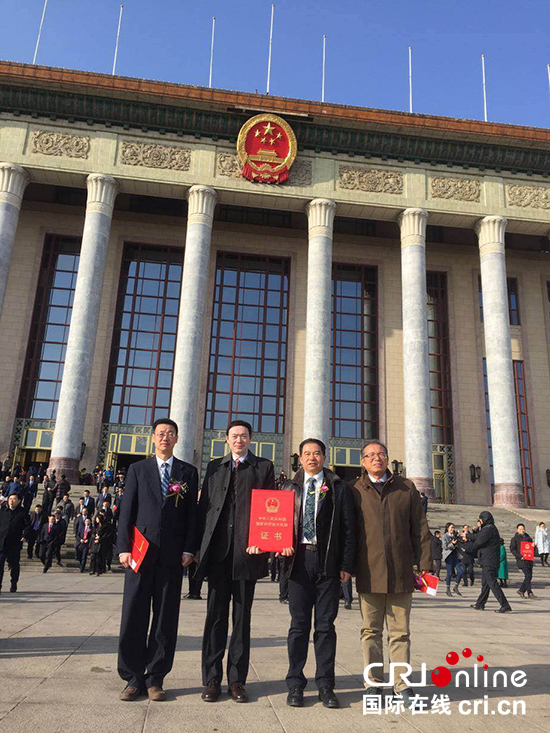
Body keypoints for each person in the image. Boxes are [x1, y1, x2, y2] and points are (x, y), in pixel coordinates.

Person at [117, 418, 198, 702]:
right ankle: (132, 677)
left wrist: (190, 548)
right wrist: (123, 547)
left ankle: (156, 677)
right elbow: (127, 510)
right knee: (134, 614)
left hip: (172, 556)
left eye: (171, 434)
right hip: (140, 553)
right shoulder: (138, 470)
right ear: (153, 438)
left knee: (165, 617)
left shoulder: (188, 472)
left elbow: (191, 516)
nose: (166, 437)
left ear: (177, 439)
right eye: (161, 433)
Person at [196, 419, 275, 704]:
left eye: (243, 436)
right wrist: (196, 548)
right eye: (234, 436)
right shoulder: (215, 467)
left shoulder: (263, 467)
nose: (239, 440)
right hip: (218, 554)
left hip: (247, 555)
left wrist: (263, 542)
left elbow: (270, 508)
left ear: (251, 439)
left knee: (241, 621)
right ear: (226, 440)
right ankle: (212, 679)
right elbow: (205, 508)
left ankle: (237, 680)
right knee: (215, 619)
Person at [351, 439, 432, 709]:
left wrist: (425, 564)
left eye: (382, 454)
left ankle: (402, 685)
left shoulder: (405, 487)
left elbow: (420, 529)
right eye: (371, 455)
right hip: (369, 571)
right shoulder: (355, 490)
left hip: (400, 571)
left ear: (388, 459)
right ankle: (373, 684)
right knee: (370, 632)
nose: (377, 458)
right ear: (362, 462)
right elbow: (348, 532)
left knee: (400, 633)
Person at [279, 439, 355, 709]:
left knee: (325, 628)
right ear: (300, 458)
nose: (312, 458)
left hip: (328, 564)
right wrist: (278, 545)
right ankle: (295, 684)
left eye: (317, 453)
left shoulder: (337, 487)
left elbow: (348, 528)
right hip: (298, 562)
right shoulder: (288, 486)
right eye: (307, 453)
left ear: (325, 457)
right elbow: (279, 523)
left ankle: (325, 684)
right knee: (298, 627)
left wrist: (346, 565)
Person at [467, 511, 512, 613]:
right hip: (489, 560)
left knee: (492, 583)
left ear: (484, 520)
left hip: (489, 561)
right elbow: (478, 537)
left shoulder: (489, 529)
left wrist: (470, 550)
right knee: (486, 584)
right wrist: (468, 535)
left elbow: (479, 541)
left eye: (481, 519)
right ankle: (480, 604)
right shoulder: (490, 528)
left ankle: (505, 605)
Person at [0, 493, 29, 592]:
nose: (12, 501)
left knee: (14, 564)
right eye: (10, 499)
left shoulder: (22, 513)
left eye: (14, 499)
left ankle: (13, 583)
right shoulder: (2, 511)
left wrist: (24, 536)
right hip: (2, 542)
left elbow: (28, 526)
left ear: (19, 501)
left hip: (14, 543)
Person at [510, 524, 536, 599]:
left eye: (523, 529)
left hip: (529, 560)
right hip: (522, 560)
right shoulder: (515, 539)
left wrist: (534, 546)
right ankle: (522, 590)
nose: (522, 530)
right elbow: (512, 549)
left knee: (529, 576)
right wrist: (519, 556)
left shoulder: (528, 538)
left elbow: (532, 550)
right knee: (528, 575)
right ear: (517, 530)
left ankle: (529, 592)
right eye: (520, 529)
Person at [442, 523, 464, 597]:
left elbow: (460, 543)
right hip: (449, 556)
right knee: (450, 573)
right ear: (447, 528)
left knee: (460, 571)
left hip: (455, 556)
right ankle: (448, 589)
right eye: (451, 527)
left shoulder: (455, 536)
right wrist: (452, 543)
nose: (452, 529)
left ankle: (455, 587)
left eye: (453, 527)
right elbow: (445, 546)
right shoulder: (444, 536)